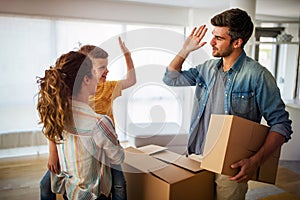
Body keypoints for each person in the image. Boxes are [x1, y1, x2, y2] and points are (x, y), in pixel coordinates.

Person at [163, 8, 292, 200]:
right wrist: (185, 50)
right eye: (213, 35)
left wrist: (255, 161)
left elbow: (281, 125)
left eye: (219, 38)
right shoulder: (207, 68)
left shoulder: (257, 75)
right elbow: (171, 79)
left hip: (230, 167)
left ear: (237, 42)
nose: (211, 42)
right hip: (197, 155)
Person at [40, 37, 135, 200]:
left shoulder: (108, 87)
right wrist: (53, 152)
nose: (107, 71)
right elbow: (52, 125)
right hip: (85, 157)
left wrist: (127, 55)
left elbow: (131, 80)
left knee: (119, 182)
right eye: (100, 67)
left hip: (104, 146)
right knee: (46, 184)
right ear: (85, 75)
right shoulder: (68, 104)